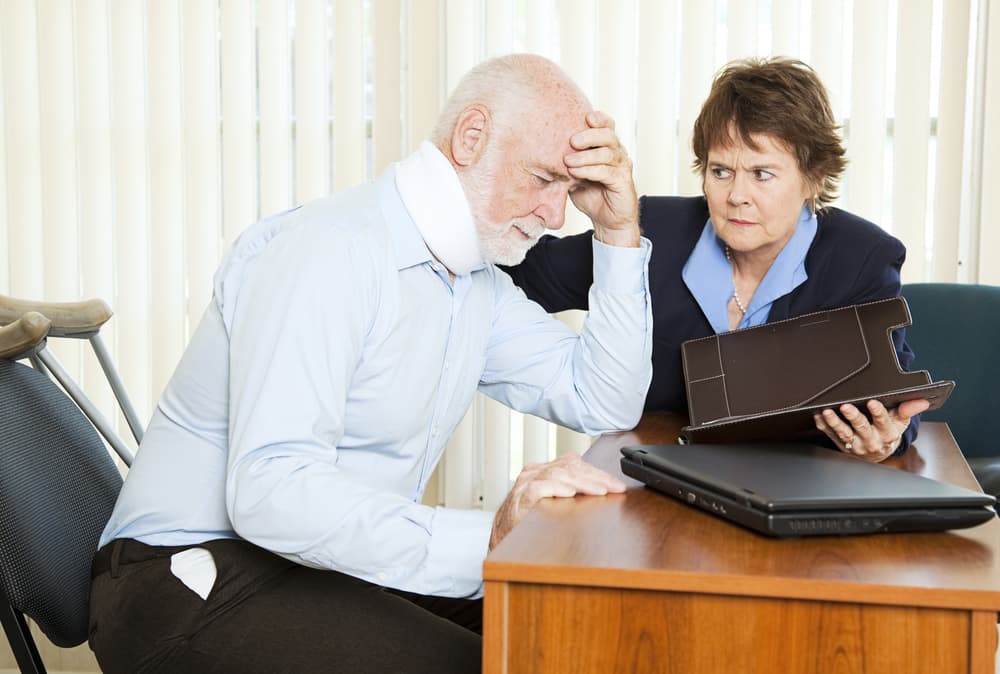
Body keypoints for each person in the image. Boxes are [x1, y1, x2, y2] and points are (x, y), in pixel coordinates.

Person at [88, 54, 653, 674]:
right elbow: (269, 491)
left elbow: (604, 399)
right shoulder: (331, 251)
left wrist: (618, 233)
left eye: (567, 191)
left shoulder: (475, 285)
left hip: (317, 563)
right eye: (545, 179)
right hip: (184, 581)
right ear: (472, 137)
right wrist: (492, 534)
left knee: (573, 633)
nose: (556, 215)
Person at [505, 57, 928, 463]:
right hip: (659, 481)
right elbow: (518, 274)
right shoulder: (650, 232)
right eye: (721, 171)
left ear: (814, 177)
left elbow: (893, 400)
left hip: (795, 488)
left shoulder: (861, 257)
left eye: (762, 174)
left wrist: (886, 439)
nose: (736, 196)